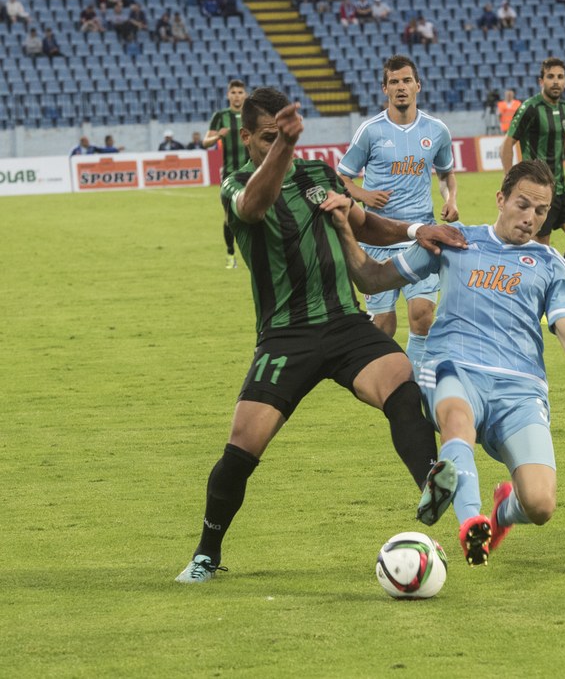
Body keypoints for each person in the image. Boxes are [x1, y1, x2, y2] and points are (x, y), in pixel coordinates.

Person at [174, 87, 465, 584]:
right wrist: (285, 145)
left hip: (345, 322)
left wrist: (416, 230)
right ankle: (206, 553)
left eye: (282, 136)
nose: (276, 145)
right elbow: (255, 207)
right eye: (267, 138)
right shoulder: (236, 183)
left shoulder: (318, 174)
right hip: (285, 336)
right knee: (243, 446)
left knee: (399, 377)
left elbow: (364, 223)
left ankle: (430, 483)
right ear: (246, 138)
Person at [332, 159, 565, 566]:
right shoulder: (454, 241)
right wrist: (344, 229)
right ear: (501, 199)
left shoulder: (551, 264)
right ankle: (471, 523)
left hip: (520, 390)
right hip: (453, 368)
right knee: (457, 420)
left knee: (540, 504)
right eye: (523, 205)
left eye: (541, 211)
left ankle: (500, 514)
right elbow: (373, 279)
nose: (531, 218)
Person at [337, 55, 458, 376]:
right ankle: (380, 378)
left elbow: (446, 174)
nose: (401, 87)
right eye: (394, 82)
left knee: (422, 316)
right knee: (383, 325)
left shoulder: (437, 130)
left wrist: (451, 199)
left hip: (422, 237)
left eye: (406, 80)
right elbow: (342, 177)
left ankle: (414, 381)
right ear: (385, 89)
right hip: (378, 239)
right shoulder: (370, 131)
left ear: (418, 85)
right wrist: (363, 195)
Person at [501, 57, 565, 307]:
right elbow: (508, 144)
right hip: (537, 193)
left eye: (560, 77)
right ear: (541, 80)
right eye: (551, 77)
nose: (556, 82)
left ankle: (559, 296)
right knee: (540, 251)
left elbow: (561, 139)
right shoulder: (530, 108)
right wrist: (509, 181)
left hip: (561, 188)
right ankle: (536, 303)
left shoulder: (563, 107)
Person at [203, 79, 248, 268]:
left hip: (253, 172)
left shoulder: (252, 114)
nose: (237, 96)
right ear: (228, 95)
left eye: (240, 92)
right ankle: (230, 254)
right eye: (233, 92)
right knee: (230, 217)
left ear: (245, 95)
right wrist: (218, 136)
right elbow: (205, 142)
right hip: (230, 174)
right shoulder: (220, 116)